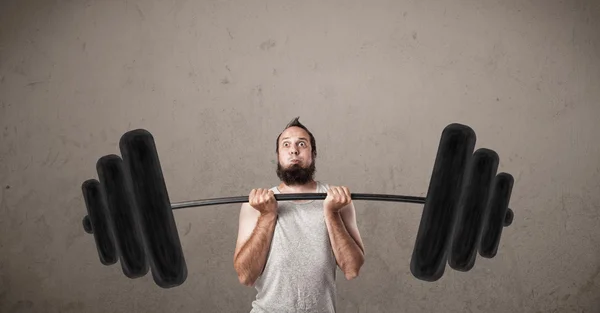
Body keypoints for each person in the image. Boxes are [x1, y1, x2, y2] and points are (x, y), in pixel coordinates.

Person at [233, 117, 366, 313]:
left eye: (301, 144)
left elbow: (352, 269)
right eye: (286, 145)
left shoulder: (337, 201)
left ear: (313, 153)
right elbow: (246, 276)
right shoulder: (256, 205)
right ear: (278, 155)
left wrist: (331, 213)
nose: (293, 150)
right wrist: (267, 216)